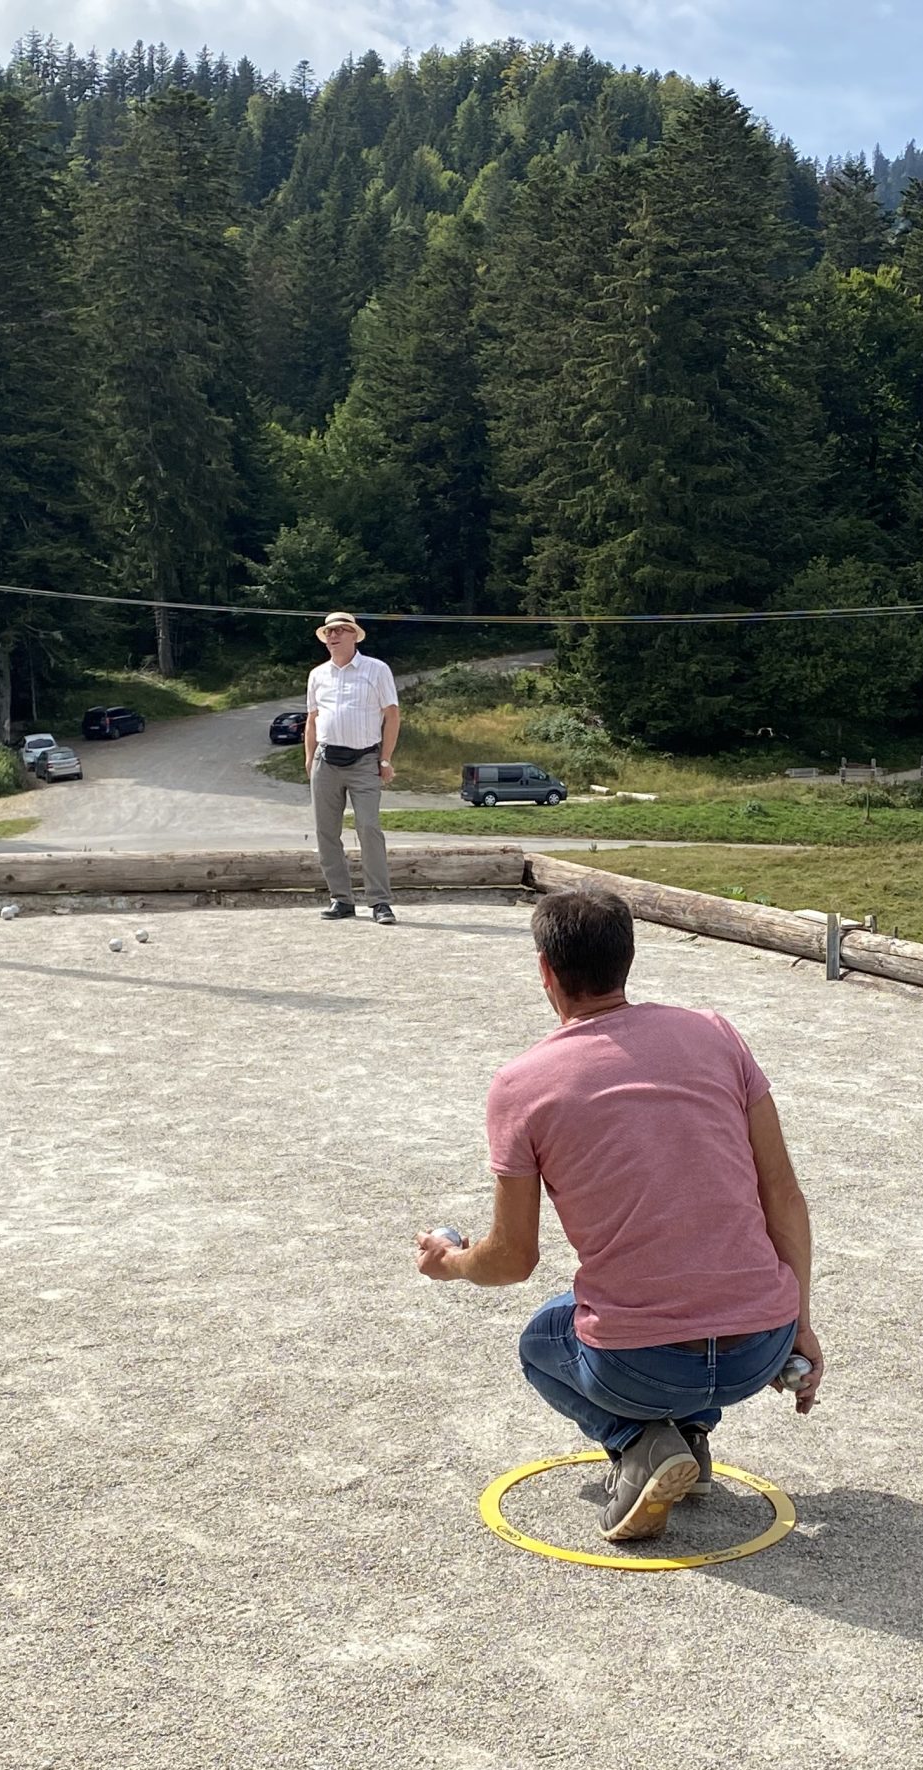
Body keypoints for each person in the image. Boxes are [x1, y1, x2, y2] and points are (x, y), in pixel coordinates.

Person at [416, 886, 825, 1542]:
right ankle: (689, 1434)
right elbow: (785, 1197)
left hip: (641, 1364)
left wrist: (452, 1261)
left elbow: (514, 1259)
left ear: (546, 971)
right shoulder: (716, 1035)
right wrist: (798, 1327)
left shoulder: (522, 1085)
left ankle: (639, 1441)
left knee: (541, 1344)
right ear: (628, 958)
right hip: (761, 1350)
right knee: (683, 1308)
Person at [300, 612, 399, 925]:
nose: (333, 636)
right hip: (325, 760)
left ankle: (380, 902)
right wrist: (309, 758)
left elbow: (392, 715)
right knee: (325, 832)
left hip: (364, 760)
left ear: (355, 636)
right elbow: (312, 720)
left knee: (368, 827)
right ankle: (341, 899)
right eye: (329, 631)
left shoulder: (376, 669)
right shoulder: (317, 675)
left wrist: (385, 758)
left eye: (341, 631)